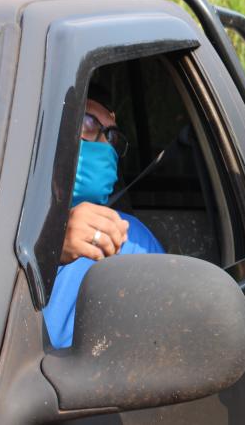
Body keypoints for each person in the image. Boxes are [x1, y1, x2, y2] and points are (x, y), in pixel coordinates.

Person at [42, 87, 164, 349]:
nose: (106, 146)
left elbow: (157, 346)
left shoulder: (131, 239)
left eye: (113, 137)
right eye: (87, 123)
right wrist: (47, 247)